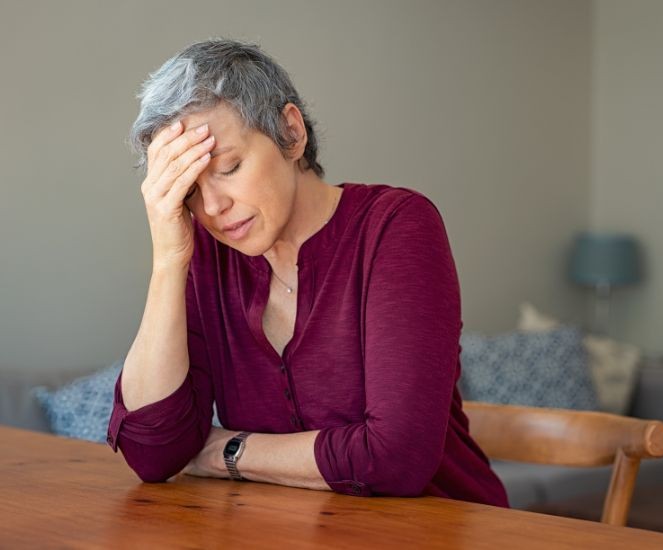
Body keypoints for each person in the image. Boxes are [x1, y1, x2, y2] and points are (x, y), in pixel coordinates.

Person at [107, 38, 509, 508]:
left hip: (440, 530)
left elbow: (397, 458)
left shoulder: (396, 227)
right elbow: (152, 455)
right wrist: (168, 262)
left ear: (290, 133)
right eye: (188, 192)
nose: (213, 207)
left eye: (229, 167)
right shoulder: (206, 256)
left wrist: (224, 450)